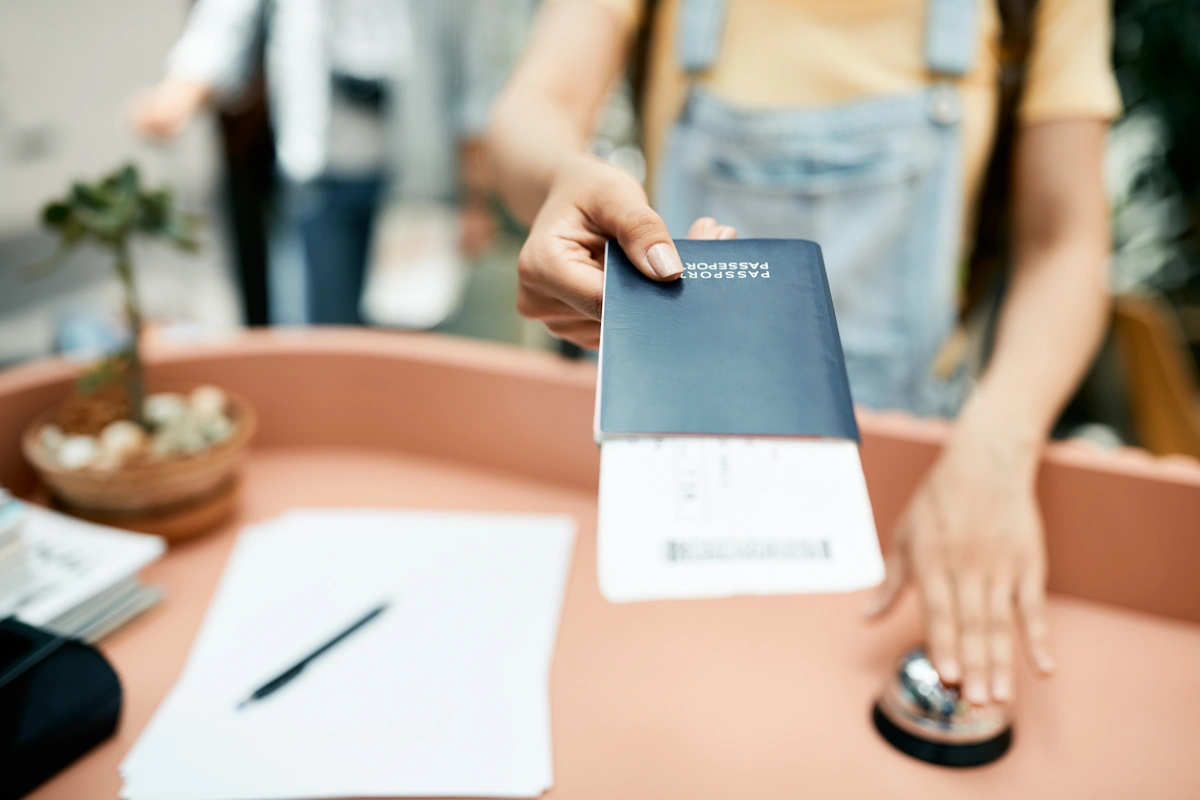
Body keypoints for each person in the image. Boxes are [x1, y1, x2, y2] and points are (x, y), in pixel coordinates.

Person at [488, 0, 1120, 705]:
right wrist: (559, 178)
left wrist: (996, 449)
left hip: (914, 490)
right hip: (675, 470)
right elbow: (533, 108)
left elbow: (1066, 240)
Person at [131, 0, 509, 325]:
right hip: (320, 176)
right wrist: (179, 91)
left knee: (406, 336)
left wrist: (475, 196)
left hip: (416, 180)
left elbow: (475, 70)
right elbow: (226, 19)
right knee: (319, 334)